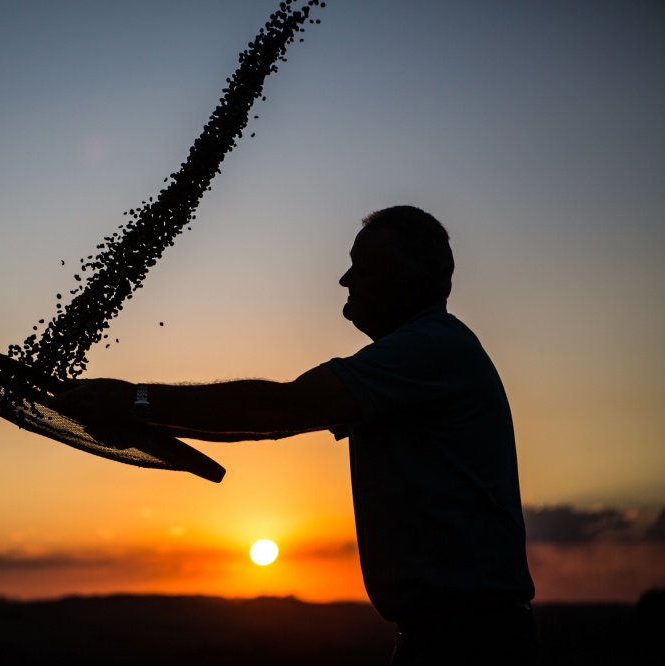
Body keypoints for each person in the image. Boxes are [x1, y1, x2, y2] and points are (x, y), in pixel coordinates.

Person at [51, 206, 539, 665]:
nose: (345, 279)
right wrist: (138, 415)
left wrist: (133, 400)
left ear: (409, 278)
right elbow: (271, 417)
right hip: (445, 636)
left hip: (471, 642)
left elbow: (280, 408)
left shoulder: (430, 349)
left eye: (363, 266)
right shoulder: (420, 356)